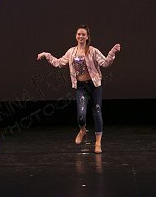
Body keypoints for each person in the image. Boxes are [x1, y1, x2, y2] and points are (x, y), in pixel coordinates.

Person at [37, 25, 120, 154]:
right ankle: (82, 130)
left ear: (87, 37)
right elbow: (59, 63)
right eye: (79, 34)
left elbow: (105, 63)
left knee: (97, 111)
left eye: (83, 34)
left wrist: (112, 53)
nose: (81, 36)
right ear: (76, 36)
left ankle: (98, 143)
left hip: (94, 86)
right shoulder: (71, 52)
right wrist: (46, 55)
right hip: (81, 87)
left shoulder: (93, 51)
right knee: (81, 115)